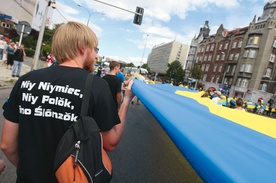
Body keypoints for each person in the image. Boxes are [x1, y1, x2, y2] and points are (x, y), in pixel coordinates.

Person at [0, 21, 134, 183]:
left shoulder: (25, 81)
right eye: (95, 49)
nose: (96, 55)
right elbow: (111, 143)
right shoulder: (96, 86)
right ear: (81, 47)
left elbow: (7, 144)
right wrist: (126, 100)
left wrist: (28, 170)